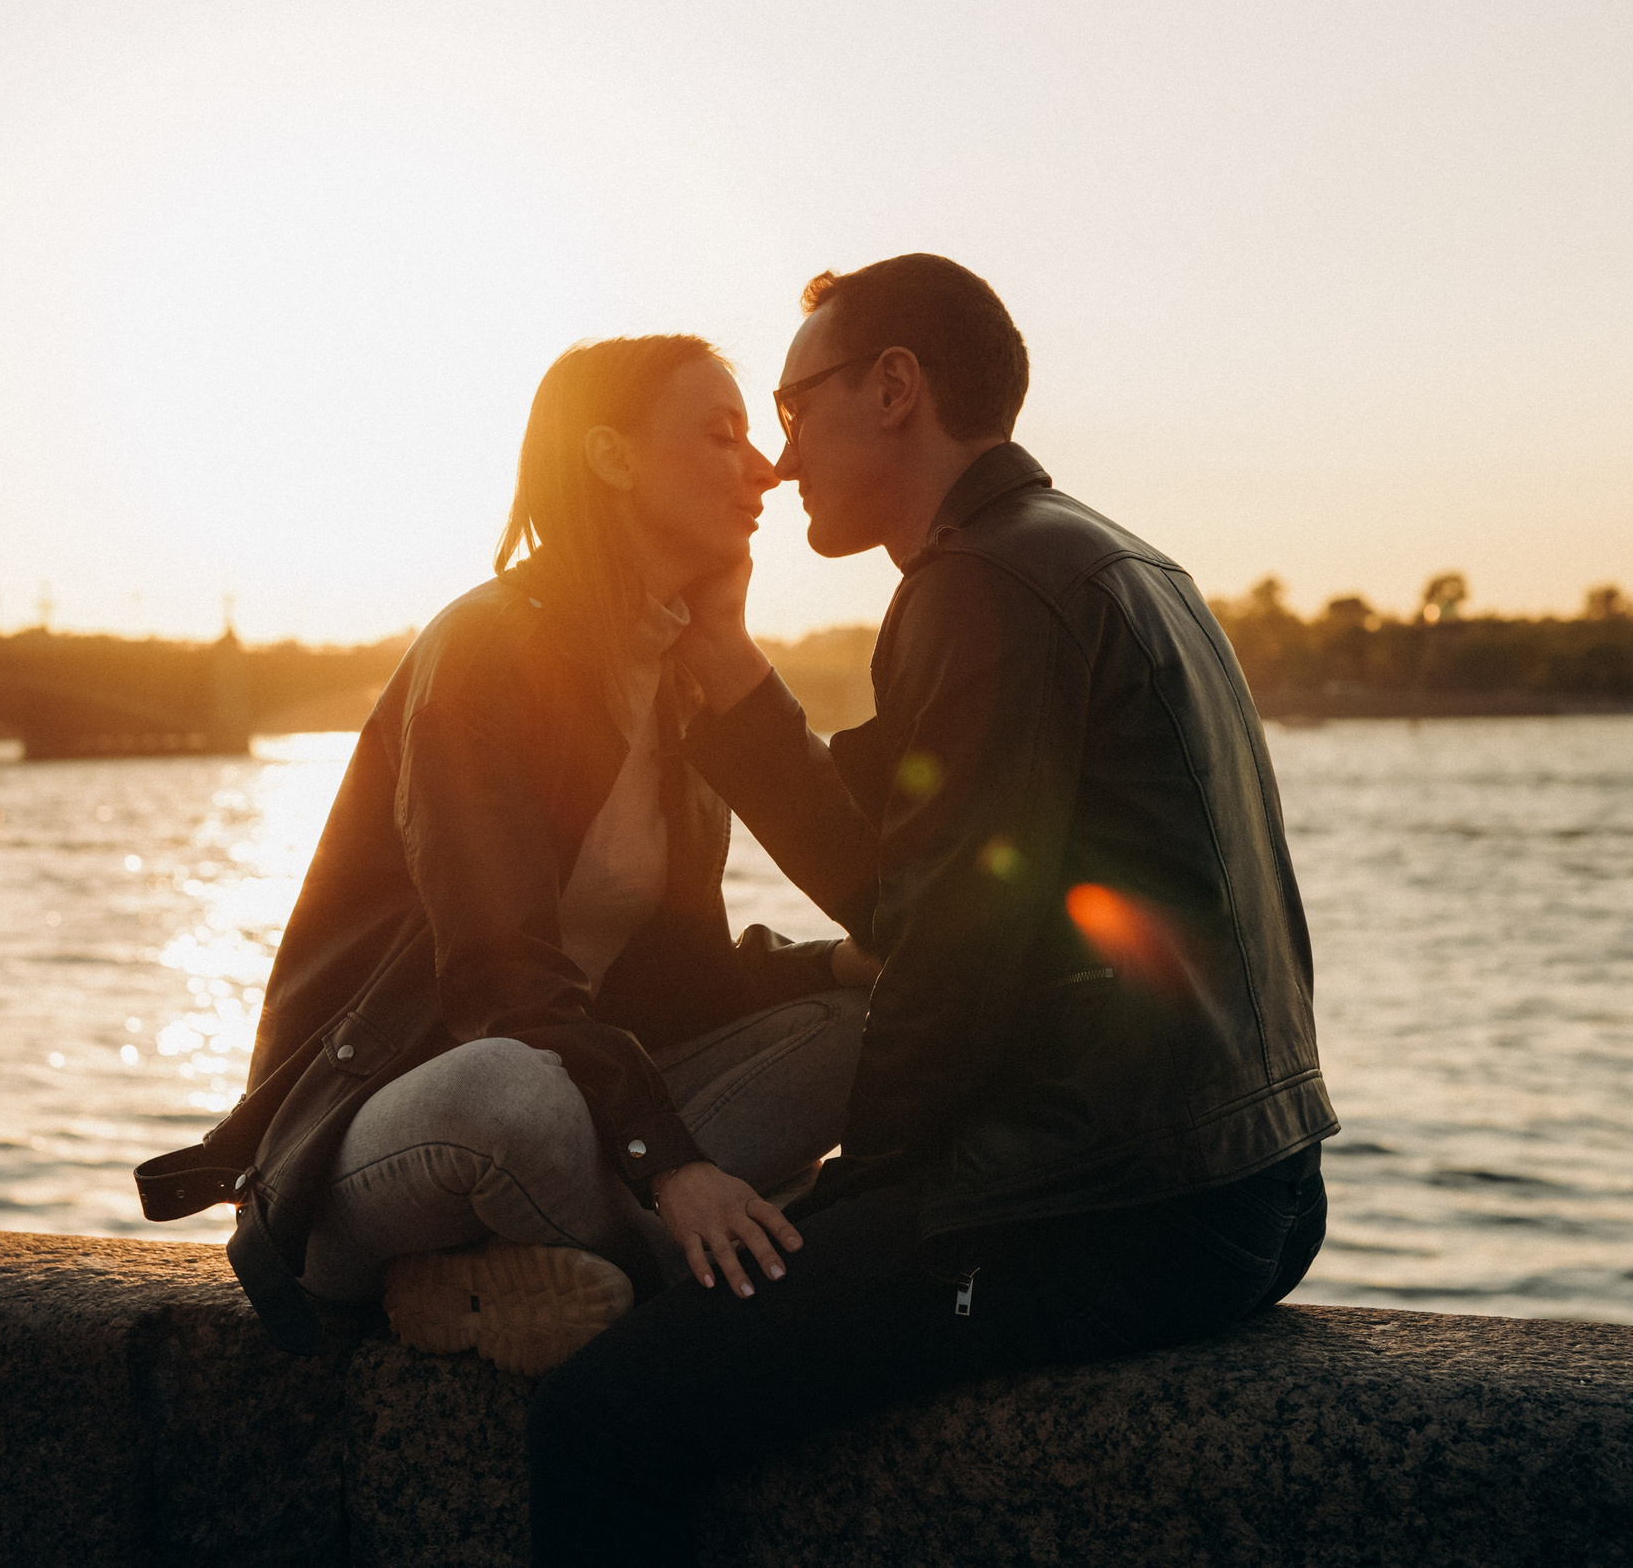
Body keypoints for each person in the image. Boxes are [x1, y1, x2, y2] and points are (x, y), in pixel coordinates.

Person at [526, 255, 1339, 1563]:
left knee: (598, 1416)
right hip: (1246, 1182)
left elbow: (952, 949)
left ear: (894, 388)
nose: (778, 463)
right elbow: (899, 856)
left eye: (792, 409)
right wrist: (729, 663)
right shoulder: (1097, 556)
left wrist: (869, 1211)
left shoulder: (981, 590)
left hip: (1109, 1203)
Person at [136, 333, 878, 1373]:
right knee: (510, 1091)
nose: (764, 470)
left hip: (588, 1125)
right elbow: (499, 973)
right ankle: (677, 1275)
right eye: (721, 435)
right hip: (398, 1127)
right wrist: (675, 1167)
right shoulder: (486, 651)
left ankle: (518, 1284)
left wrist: (729, 656)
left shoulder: (677, 675)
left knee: (870, 1022)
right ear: (611, 456)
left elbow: (697, 976)